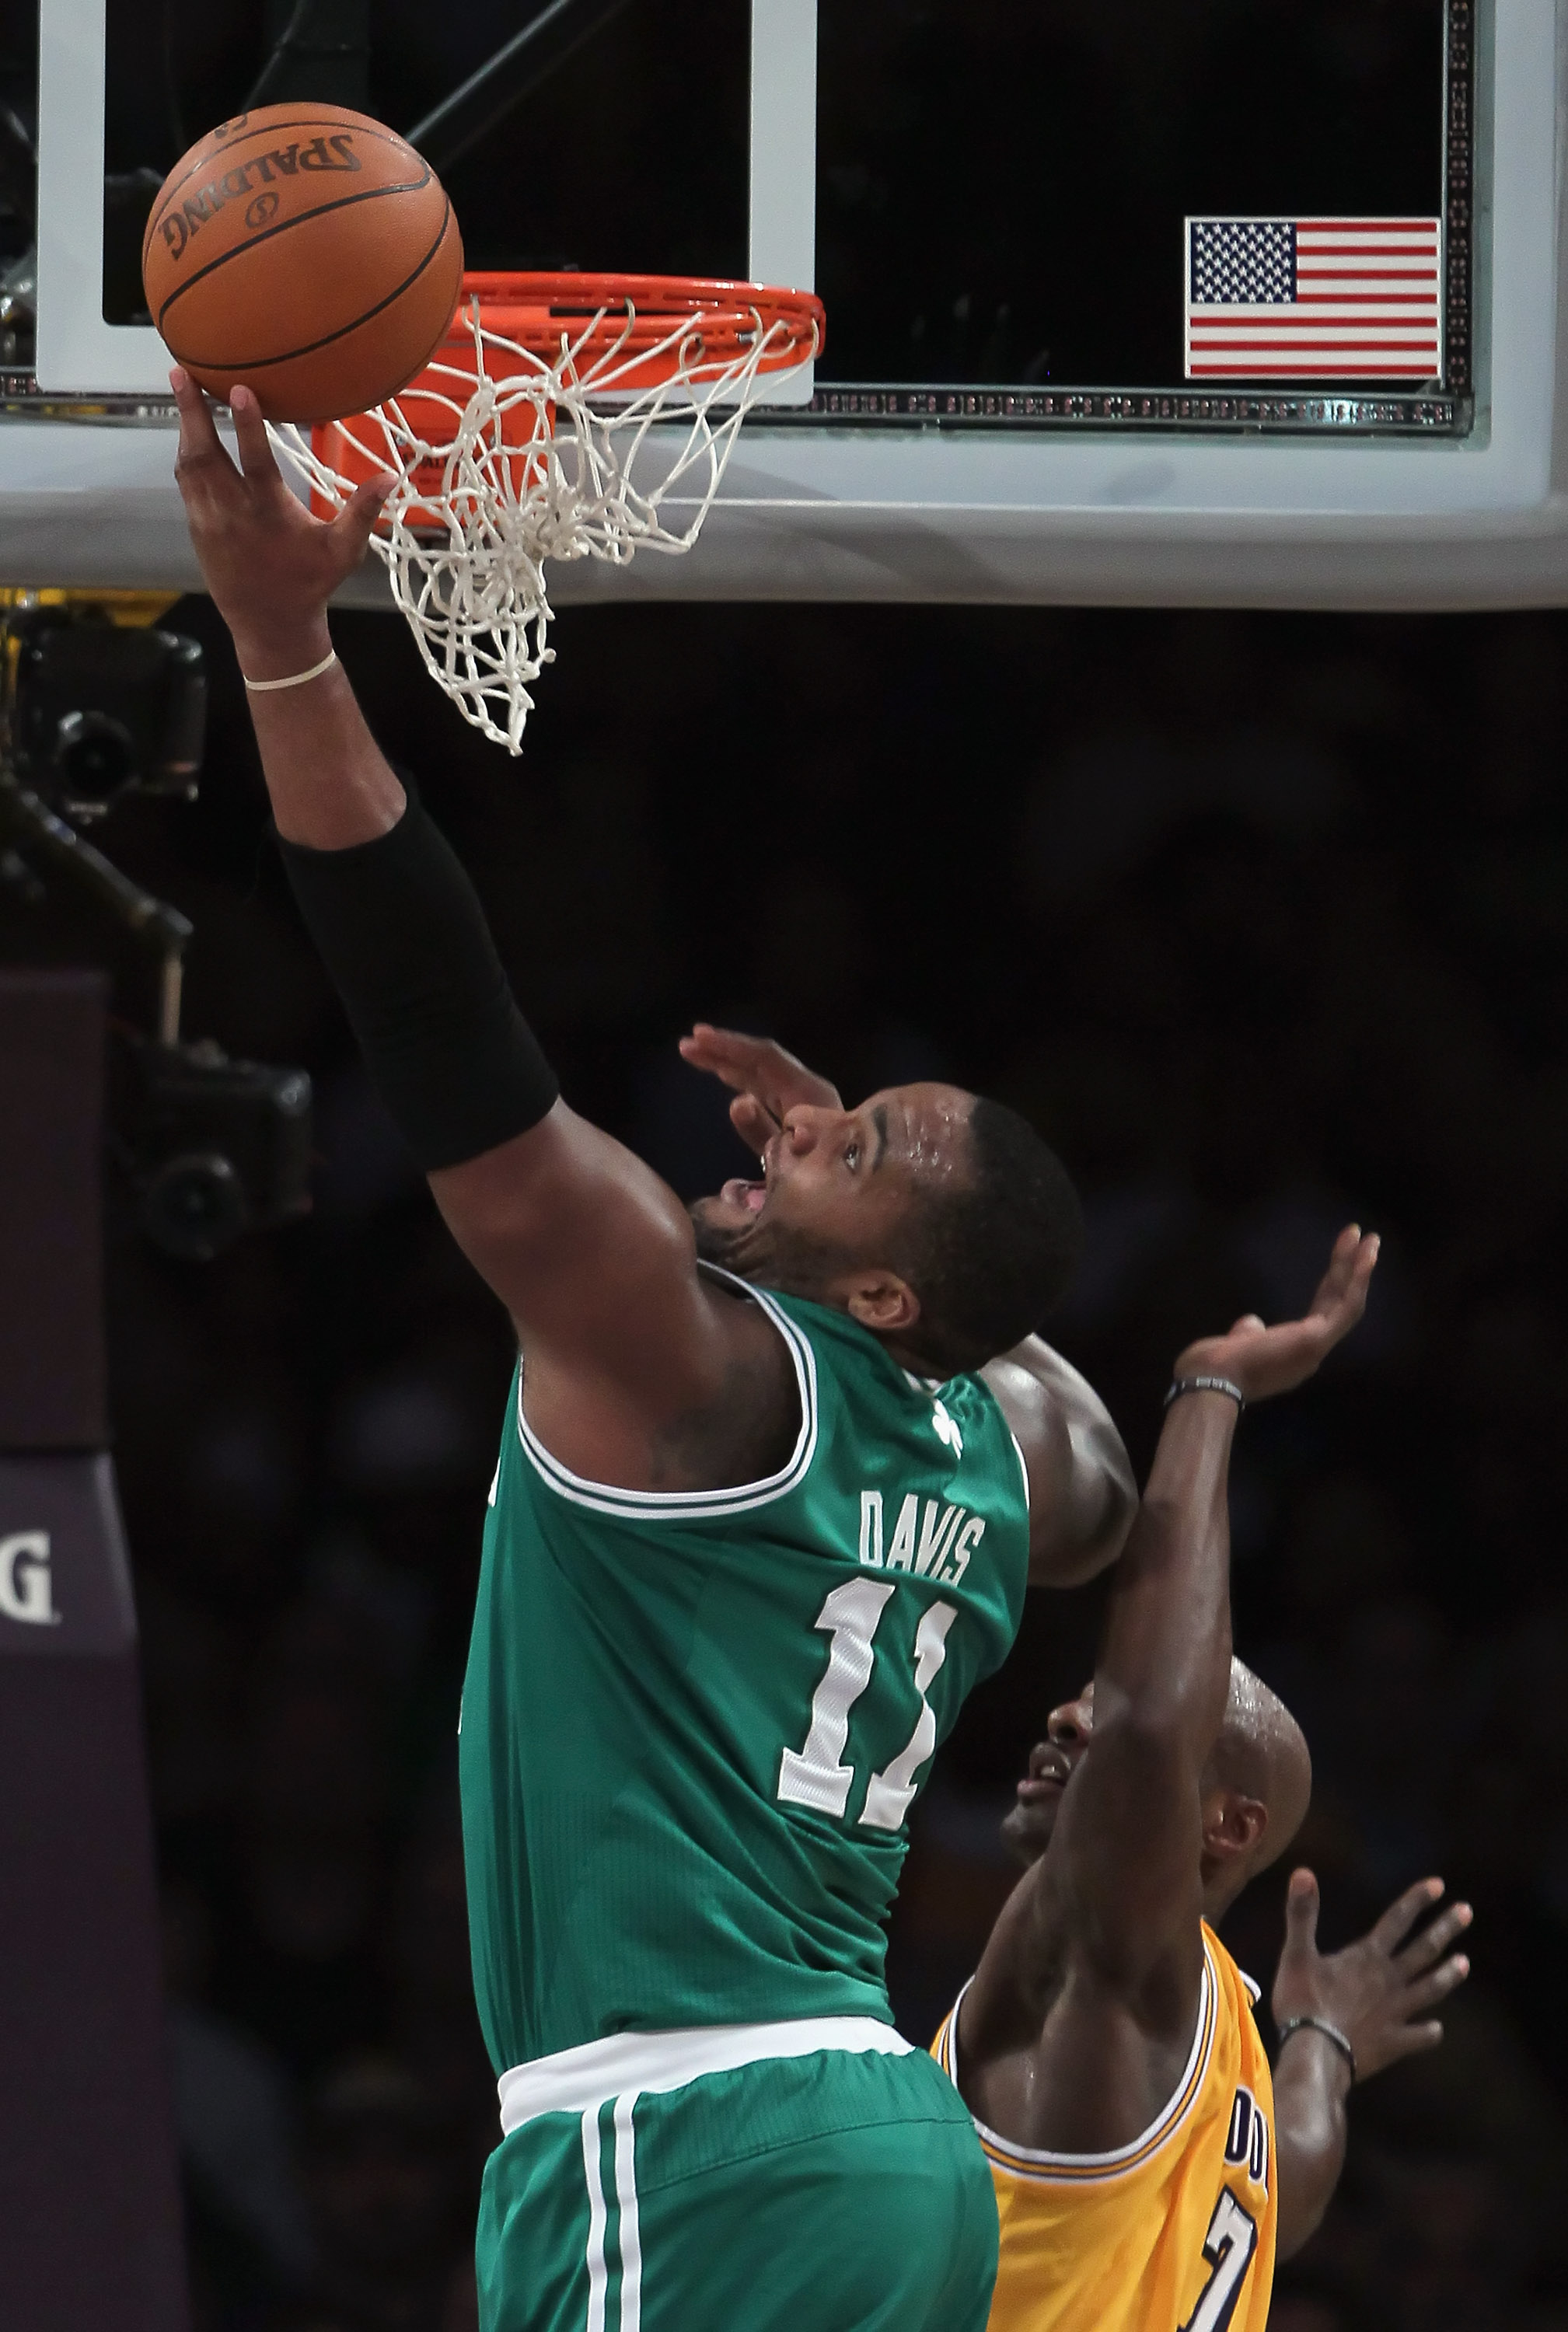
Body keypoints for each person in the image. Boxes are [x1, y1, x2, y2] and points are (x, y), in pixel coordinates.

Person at [169, 374, 1138, 2332]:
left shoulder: (684, 1359)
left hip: (685, 2141)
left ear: (887, 1300)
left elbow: (449, 1037)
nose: (801, 1120)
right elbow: (1095, 1483)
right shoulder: (985, 1447)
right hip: (879, 2140)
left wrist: (280, 639)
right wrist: (856, 1219)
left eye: (853, 1141)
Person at [930, 1225, 1472, 2331]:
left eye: (1105, 1697)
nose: (1069, 1712)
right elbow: (1300, 2182)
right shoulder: (1246, 2102)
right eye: (1079, 1691)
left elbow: (1142, 1723)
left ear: (1223, 1824)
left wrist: (1209, 1388)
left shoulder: (1114, 1960)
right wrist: (1321, 2043)